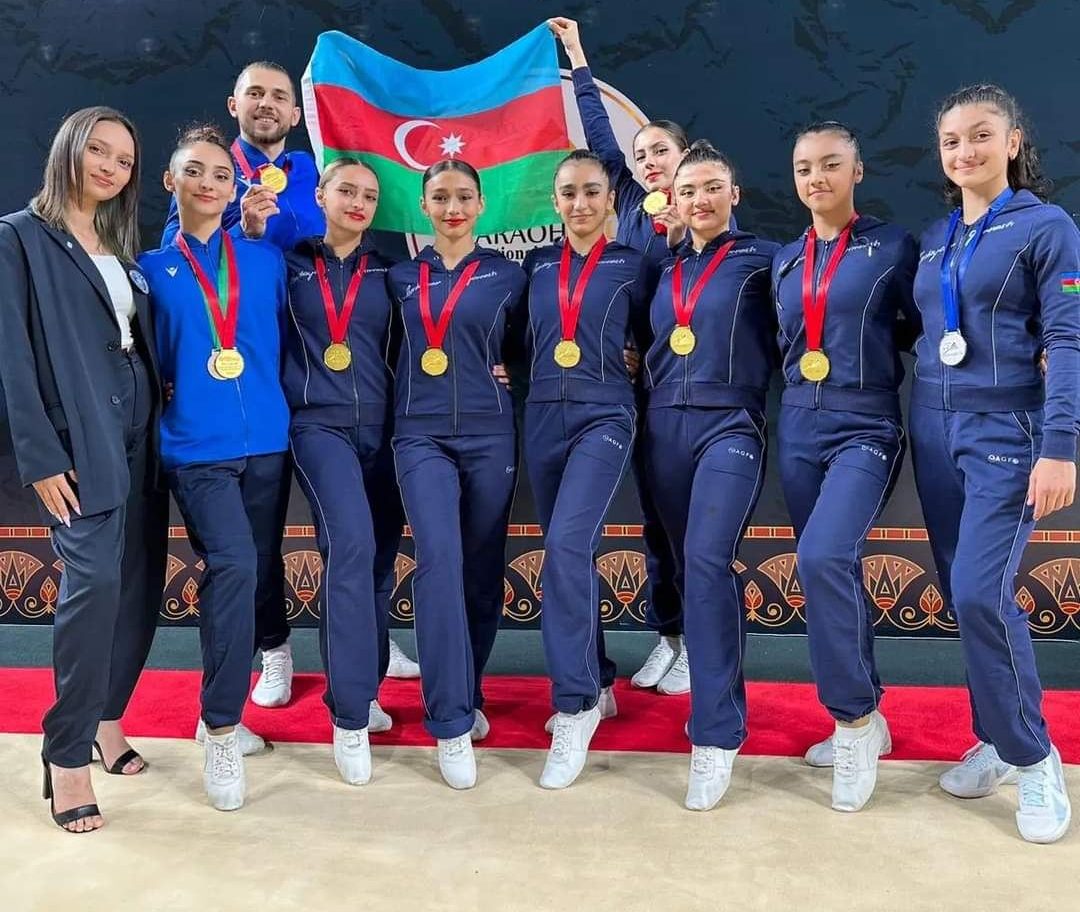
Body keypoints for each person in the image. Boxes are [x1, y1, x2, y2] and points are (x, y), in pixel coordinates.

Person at [163, 61, 420, 709]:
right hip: (248, 369)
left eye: (279, 95)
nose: (267, 104)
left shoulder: (312, 172)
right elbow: (180, 258)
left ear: (296, 113)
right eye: (255, 93)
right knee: (258, 541)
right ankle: (274, 649)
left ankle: (370, 636)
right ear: (234, 104)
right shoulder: (212, 171)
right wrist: (243, 229)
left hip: (320, 367)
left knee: (358, 529)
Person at [909, 84, 1077, 844]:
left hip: (1006, 430)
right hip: (933, 428)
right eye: (951, 140)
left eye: (980, 135)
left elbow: (1069, 338)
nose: (964, 151)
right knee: (963, 593)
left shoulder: (1046, 227)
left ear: (1012, 142)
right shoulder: (938, 236)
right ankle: (996, 739)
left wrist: (1060, 446)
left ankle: (1034, 757)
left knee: (982, 593)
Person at [0, 106, 168, 831]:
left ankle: (106, 719)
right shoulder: (18, 238)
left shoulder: (119, 248)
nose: (110, 167)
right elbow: (11, 356)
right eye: (98, 150)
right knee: (94, 585)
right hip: (78, 439)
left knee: (137, 584)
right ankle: (66, 753)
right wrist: (41, 455)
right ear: (68, 148)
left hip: (141, 433)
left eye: (124, 160)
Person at [140, 124, 290, 810]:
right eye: (194, 171)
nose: (208, 183)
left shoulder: (264, 260)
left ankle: (217, 708)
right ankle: (223, 728)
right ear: (170, 182)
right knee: (233, 566)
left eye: (221, 174)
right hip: (197, 449)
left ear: (235, 189)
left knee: (250, 574)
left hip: (267, 443)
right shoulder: (148, 272)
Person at [772, 122, 919, 812]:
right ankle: (869, 710)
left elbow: (934, 322)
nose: (817, 178)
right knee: (834, 569)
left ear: (857, 171)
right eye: (805, 168)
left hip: (866, 422)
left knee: (824, 555)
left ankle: (853, 724)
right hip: (799, 423)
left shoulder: (894, 247)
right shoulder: (783, 261)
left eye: (831, 164)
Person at [550, 16, 689, 695]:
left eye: (662, 150)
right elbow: (599, 133)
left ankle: (697, 644)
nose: (650, 159)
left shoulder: (706, 215)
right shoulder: (629, 201)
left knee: (686, 522)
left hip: (690, 389)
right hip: (637, 387)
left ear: (687, 159)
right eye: (643, 153)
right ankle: (670, 635)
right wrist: (577, 57)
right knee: (654, 520)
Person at [639, 141, 778, 811]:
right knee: (675, 561)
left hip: (731, 425)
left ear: (734, 194)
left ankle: (716, 735)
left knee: (705, 560)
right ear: (673, 198)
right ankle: (691, 661)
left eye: (712, 186)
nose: (700, 199)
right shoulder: (659, 267)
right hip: (663, 427)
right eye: (688, 189)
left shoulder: (766, 259)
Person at [386, 159, 525, 789]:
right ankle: (448, 721)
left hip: (490, 434)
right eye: (440, 197)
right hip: (420, 435)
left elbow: (541, 343)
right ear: (423, 206)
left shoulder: (510, 275)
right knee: (439, 560)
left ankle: (468, 692)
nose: (452, 208)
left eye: (464, 197)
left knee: (481, 570)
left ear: (481, 204)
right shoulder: (398, 278)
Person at [512, 149, 644, 788]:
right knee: (569, 551)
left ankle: (575, 703)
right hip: (542, 416)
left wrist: (639, 358)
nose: (580, 203)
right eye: (569, 192)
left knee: (565, 545)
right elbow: (512, 336)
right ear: (554, 200)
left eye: (592, 190)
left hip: (605, 414)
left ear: (610, 197)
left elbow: (666, 328)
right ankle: (600, 677)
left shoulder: (633, 265)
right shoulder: (536, 265)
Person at [283, 157, 404, 784]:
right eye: (346, 190)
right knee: (351, 546)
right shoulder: (288, 265)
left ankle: (368, 687)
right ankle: (348, 713)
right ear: (321, 195)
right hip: (317, 426)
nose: (358, 202)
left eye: (369, 196)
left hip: (386, 430)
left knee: (379, 563)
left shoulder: (391, 271)